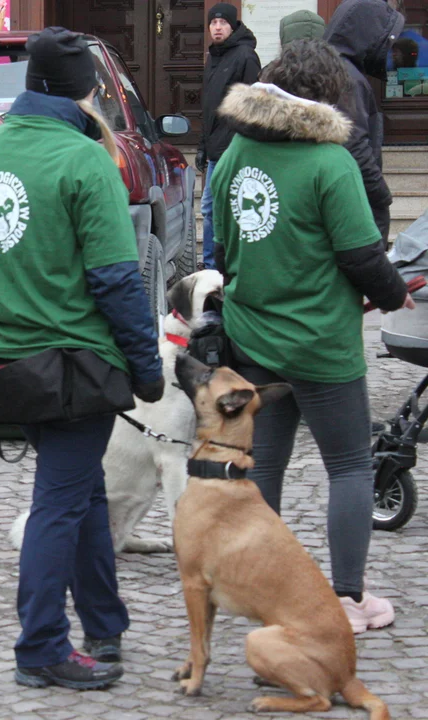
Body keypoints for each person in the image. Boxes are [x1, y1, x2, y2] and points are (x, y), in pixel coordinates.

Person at [0, 27, 164, 690]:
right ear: (86, 89)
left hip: (7, 361)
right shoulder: (85, 161)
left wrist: (13, 306)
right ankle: (41, 645)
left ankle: (104, 623)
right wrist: (147, 366)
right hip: (76, 362)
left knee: (83, 495)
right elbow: (115, 280)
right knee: (59, 504)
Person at [209, 39, 413, 635]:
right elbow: (361, 255)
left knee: (262, 467)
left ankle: (265, 595)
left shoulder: (233, 156)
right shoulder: (331, 164)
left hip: (252, 339)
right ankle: (348, 600)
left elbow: (222, 250)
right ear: (328, 99)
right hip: (323, 343)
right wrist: (398, 293)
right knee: (349, 466)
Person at [324, 0, 403, 243]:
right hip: (354, 202)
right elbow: (354, 144)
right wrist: (381, 195)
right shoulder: (347, 78)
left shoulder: (332, 68)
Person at [197, 3, 260, 270]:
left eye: (223, 23)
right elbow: (209, 108)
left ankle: (221, 264)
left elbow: (252, 107)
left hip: (233, 148)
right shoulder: (213, 57)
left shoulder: (246, 56)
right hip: (214, 149)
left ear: (233, 26)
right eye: (213, 23)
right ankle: (213, 264)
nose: (217, 27)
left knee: (223, 209)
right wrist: (202, 146)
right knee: (211, 209)